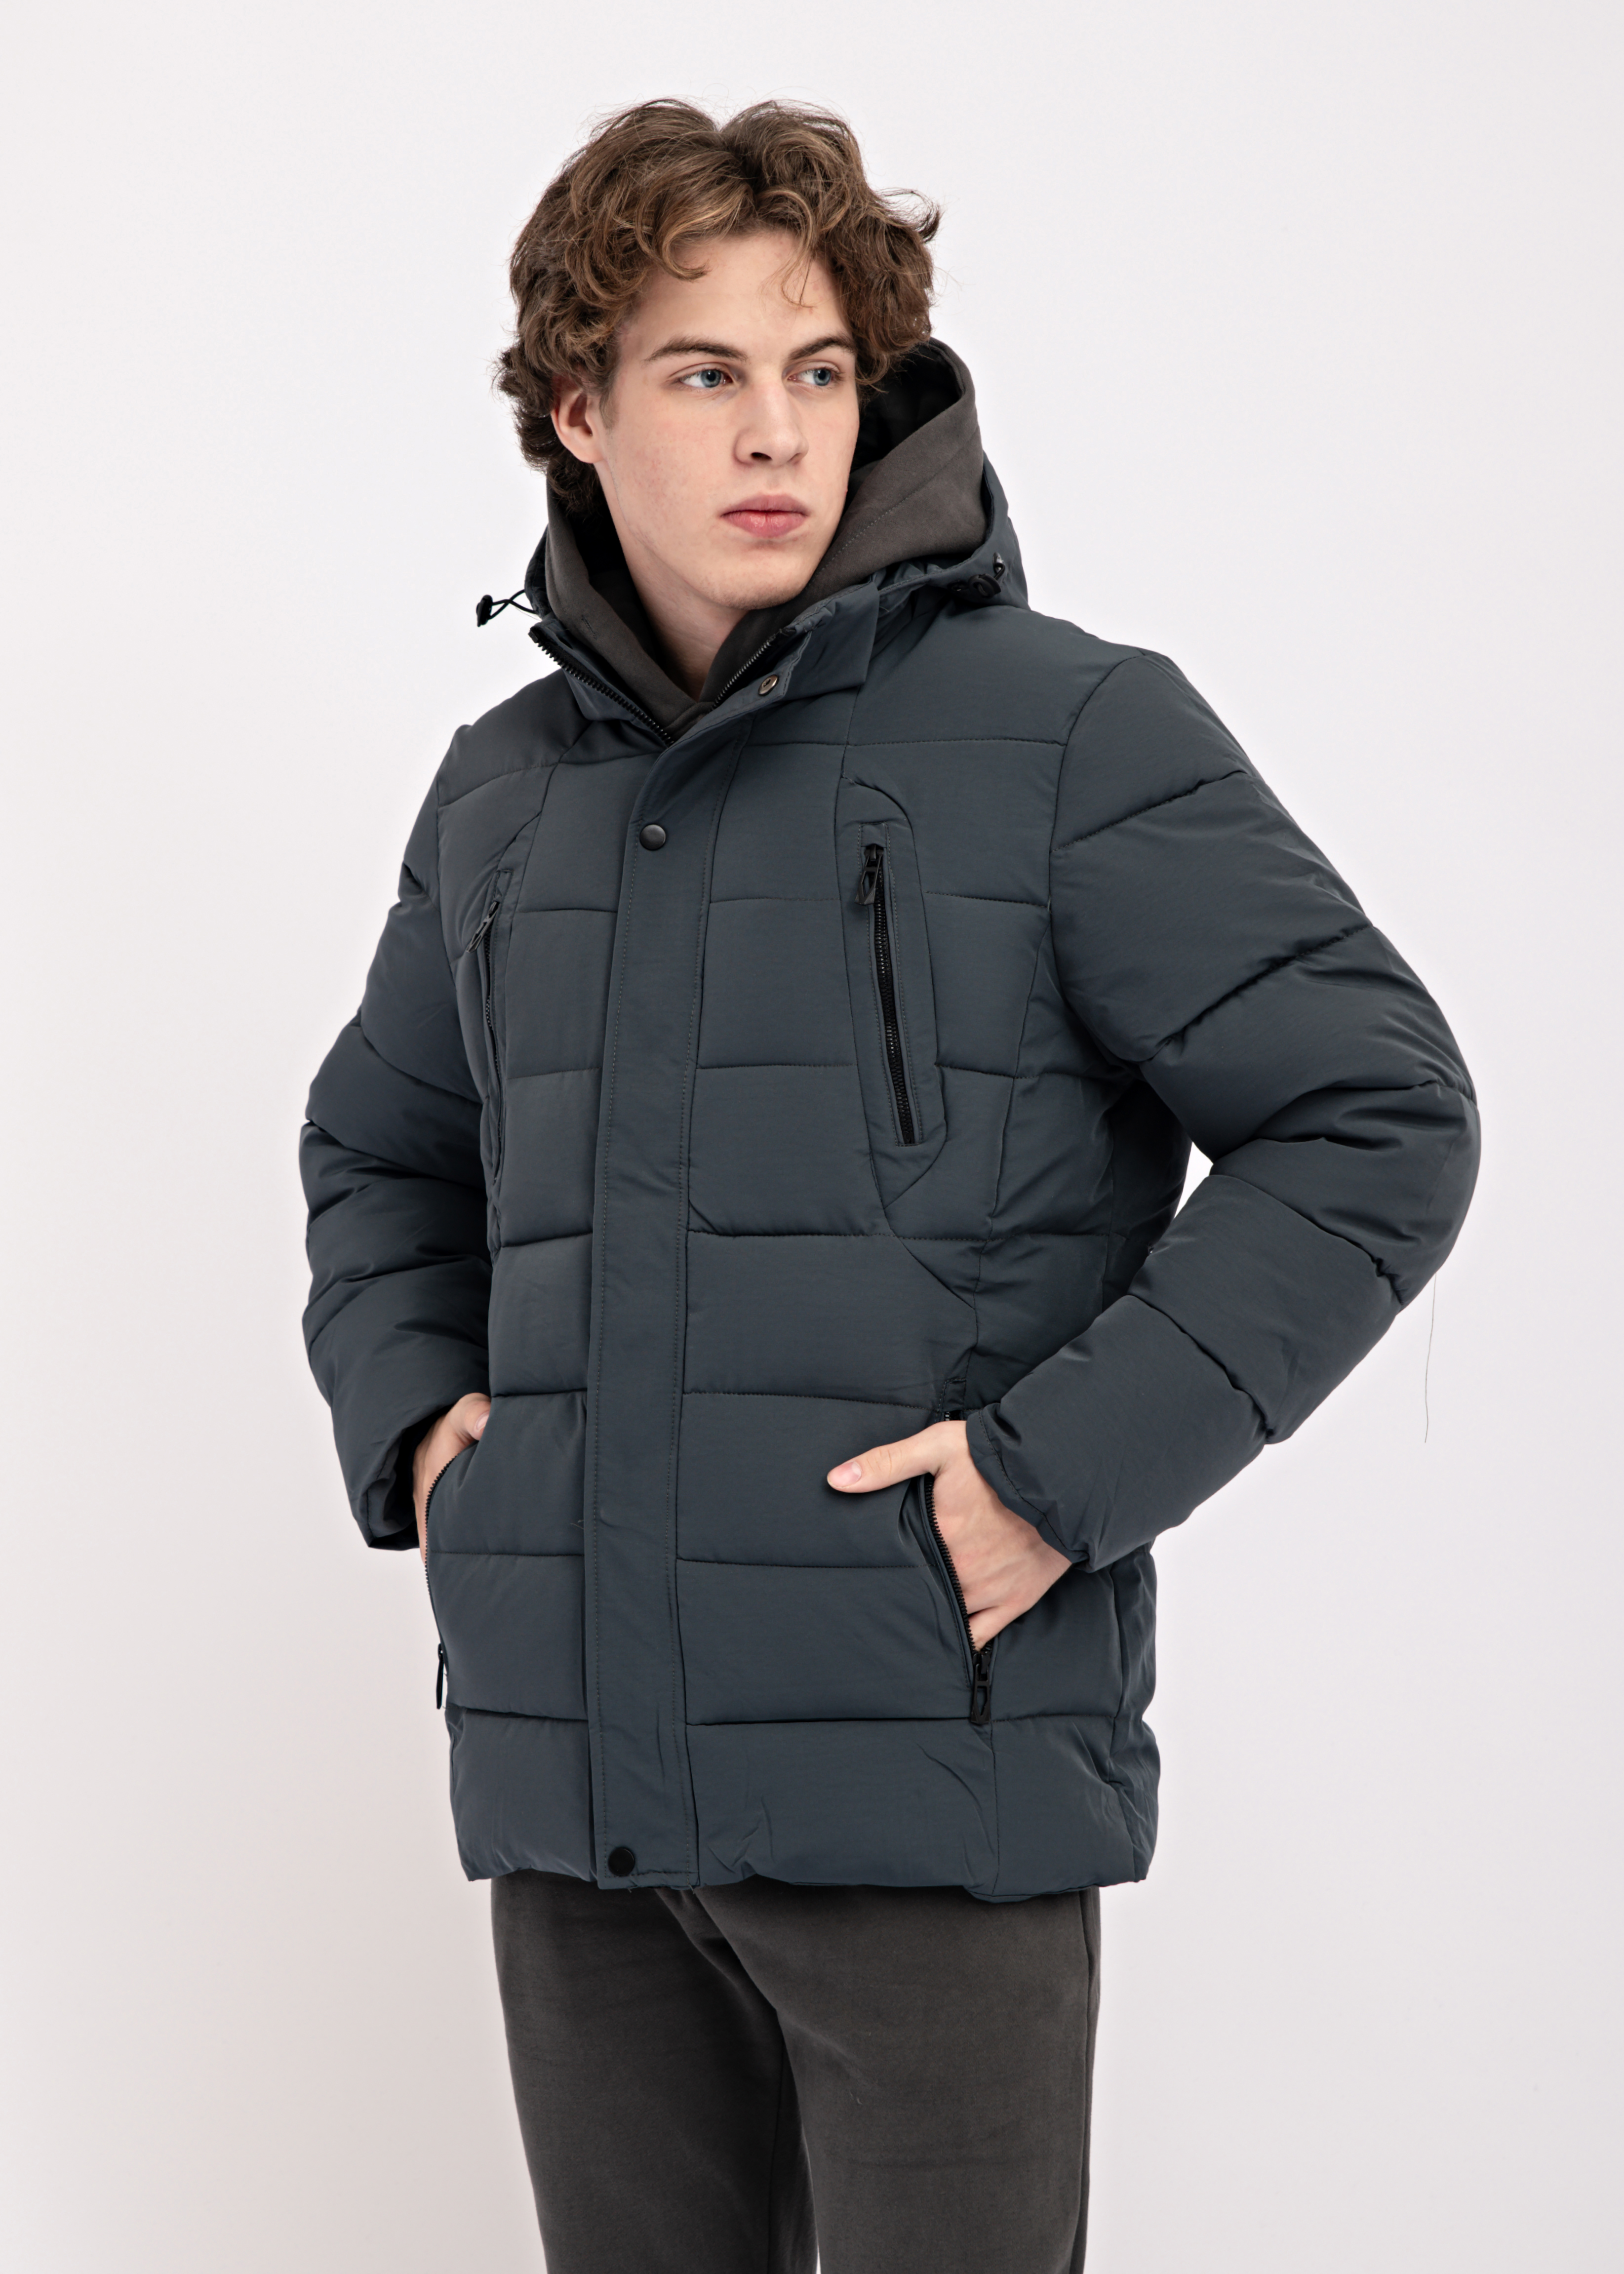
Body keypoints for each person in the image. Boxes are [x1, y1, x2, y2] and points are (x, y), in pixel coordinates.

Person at [299, 98, 1479, 2274]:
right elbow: (379, 1145)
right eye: (704, 371)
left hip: (928, 1773)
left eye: (821, 368)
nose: (778, 431)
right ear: (577, 411)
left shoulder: (1066, 735)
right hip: (581, 1810)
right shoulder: (501, 798)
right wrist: (432, 1435)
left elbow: (1376, 1114)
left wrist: (1052, 1476)